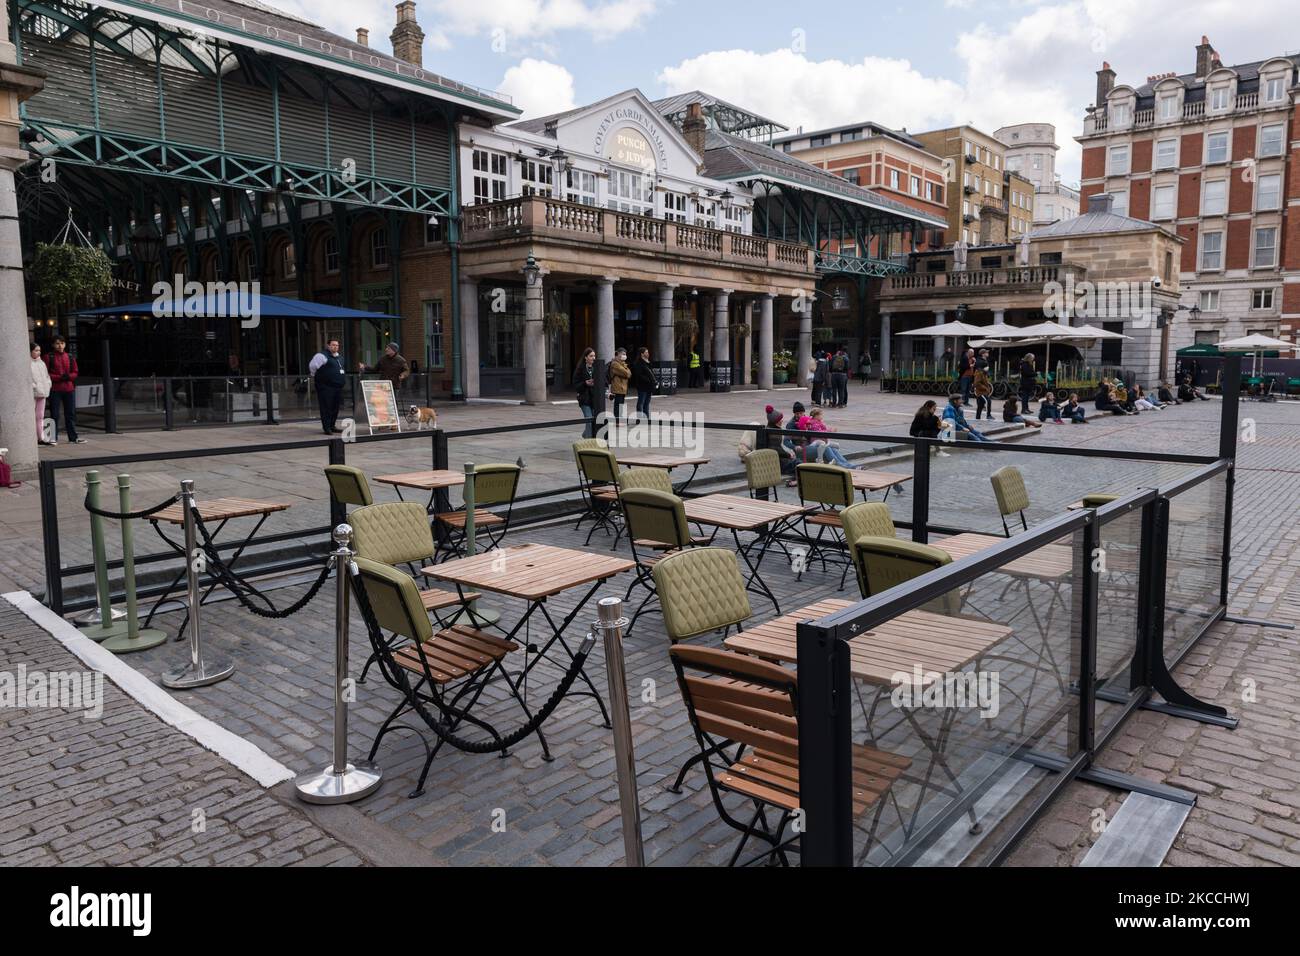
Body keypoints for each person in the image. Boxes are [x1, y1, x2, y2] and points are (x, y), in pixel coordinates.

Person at [44, 337, 84, 444]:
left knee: (70, 414)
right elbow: (45, 374)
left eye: (62, 343)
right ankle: (53, 438)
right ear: (53, 345)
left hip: (69, 388)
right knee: (55, 414)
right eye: (57, 343)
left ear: (65, 344)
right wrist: (59, 377)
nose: (60, 346)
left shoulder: (70, 357)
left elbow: (75, 371)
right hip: (55, 389)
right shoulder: (48, 357)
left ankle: (73, 437)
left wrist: (69, 376)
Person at [310, 338, 346, 434]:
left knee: (335, 407)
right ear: (328, 345)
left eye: (337, 345)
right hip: (326, 387)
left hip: (337, 387)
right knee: (326, 407)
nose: (335, 347)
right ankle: (327, 428)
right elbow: (312, 367)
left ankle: (332, 425)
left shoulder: (340, 357)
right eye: (333, 345)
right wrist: (317, 376)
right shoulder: (321, 356)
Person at [31, 343, 53, 445]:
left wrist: (48, 384)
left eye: (39, 350)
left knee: (40, 416)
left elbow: (46, 376)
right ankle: (33, 437)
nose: (38, 352)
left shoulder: (42, 363)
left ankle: (41, 437)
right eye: (36, 350)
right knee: (31, 416)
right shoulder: (27, 363)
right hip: (33, 394)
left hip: (43, 393)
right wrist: (33, 386)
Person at [574, 347, 597, 437]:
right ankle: (589, 441)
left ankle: (585, 435)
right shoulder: (580, 369)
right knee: (589, 420)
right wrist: (585, 383)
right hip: (584, 399)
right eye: (591, 356)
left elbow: (603, 382)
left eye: (594, 356)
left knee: (594, 421)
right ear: (585, 357)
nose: (593, 358)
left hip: (594, 399)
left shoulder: (596, 368)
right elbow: (576, 385)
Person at [631, 346, 656, 419]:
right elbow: (639, 375)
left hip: (649, 386)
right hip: (642, 386)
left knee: (647, 403)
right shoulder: (638, 363)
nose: (648, 353)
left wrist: (648, 362)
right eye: (646, 352)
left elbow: (651, 373)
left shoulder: (647, 362)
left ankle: (646, 418)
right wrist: (648, 380)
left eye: (648, 352)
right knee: (641, 402)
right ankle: (639, 418)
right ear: (642, 354)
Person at [608, 348, 630, 421]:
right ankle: (617, 420)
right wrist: (626, 369)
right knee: (618, 405)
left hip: (622, 388)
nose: (625, 356)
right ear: (618, 354)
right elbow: (626, 373)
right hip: (617, 387)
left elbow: (629, 374)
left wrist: (624, 366)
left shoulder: (622, 364)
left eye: (625, 354)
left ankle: (620, 419)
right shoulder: (615, 364)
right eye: (623, 354)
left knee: (621, 405)